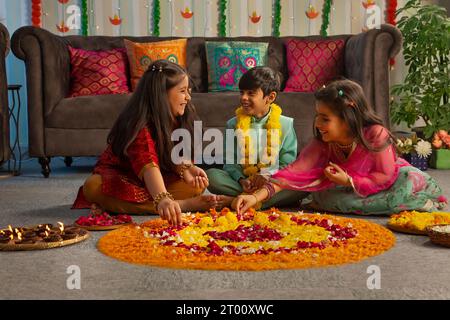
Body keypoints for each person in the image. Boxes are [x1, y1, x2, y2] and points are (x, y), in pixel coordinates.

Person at [232, 79, 447, 215]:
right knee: (323, 196)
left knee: (405, 184)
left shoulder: (375, 134)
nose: (317, 124)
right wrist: (255, 197)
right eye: (317, 116)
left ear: (348, 117)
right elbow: (293, 172)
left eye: (325, 119)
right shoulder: (323, 142)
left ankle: (416, 201)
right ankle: (368, 203)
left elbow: (384, 175)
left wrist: (350, 180)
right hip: (349, 188)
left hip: (391, 181)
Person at [73, 60, 220, 225]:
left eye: (188, 91)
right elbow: (148, 163)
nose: (188, 97)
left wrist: (188, 168)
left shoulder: (180, 114)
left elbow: (175, 153)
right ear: (162, 94)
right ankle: (180, 205)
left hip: (159, 177)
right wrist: (163, 198)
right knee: (92, 187)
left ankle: (151, 204)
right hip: (125, 177)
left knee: (195, 186)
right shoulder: (138, 123)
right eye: (182, 91)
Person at [207, 66, 308, 209]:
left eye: (251, 93)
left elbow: (288, 164)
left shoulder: (285, 124)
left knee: (305, 181)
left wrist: (268, 176)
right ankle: (258, 201)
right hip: (243, 184)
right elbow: (230, 163)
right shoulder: (233, 124)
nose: (243, 98)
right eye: (242, 92)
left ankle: (238, 200)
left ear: (270, 97)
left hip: (273, 184)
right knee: (211, 176)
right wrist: (242, 180)